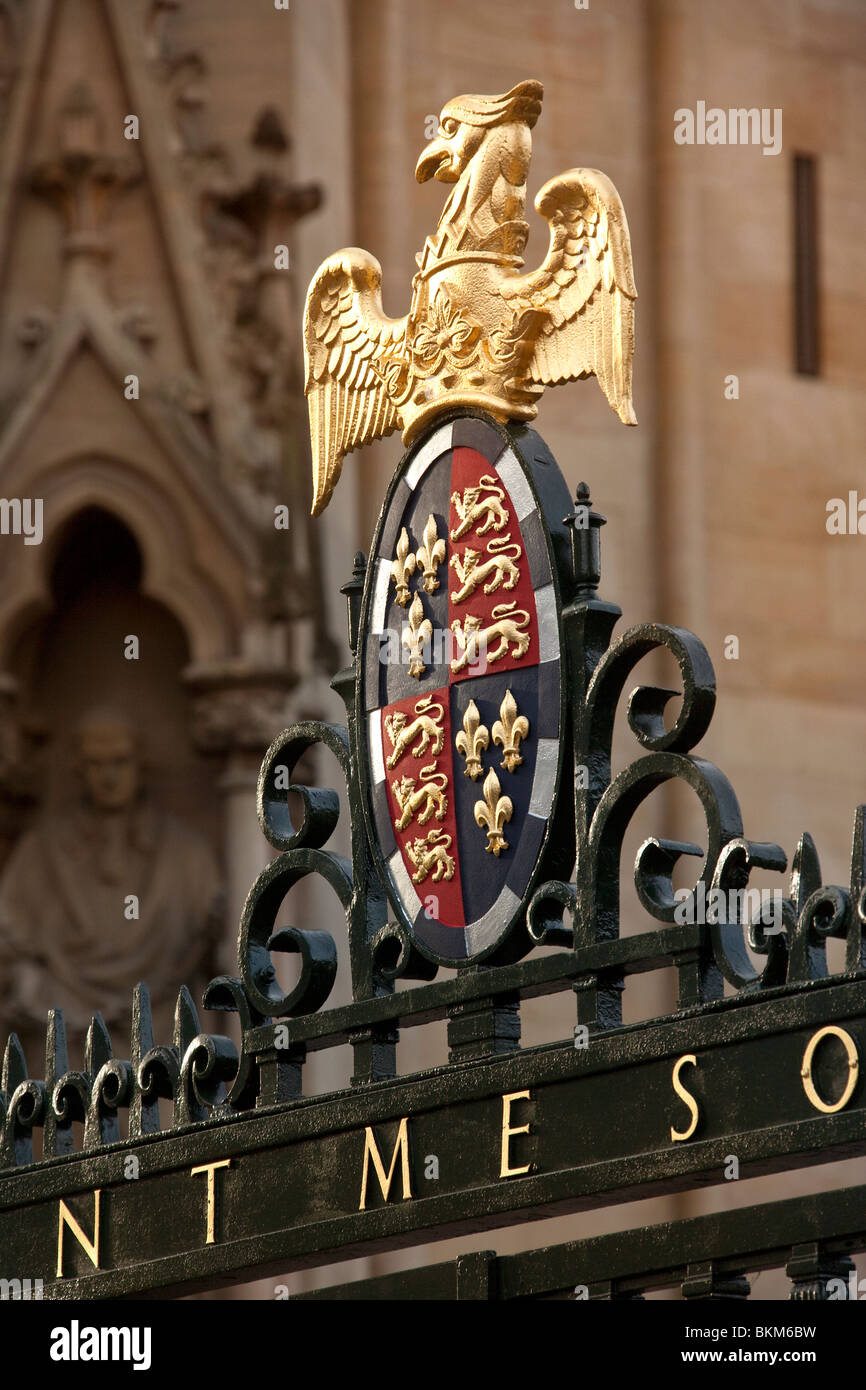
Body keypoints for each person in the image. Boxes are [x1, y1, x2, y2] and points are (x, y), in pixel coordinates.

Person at [0, 709, 223, 1048]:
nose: (109, 776)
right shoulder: (40, 853)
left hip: (161, 1036)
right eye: (96, 764)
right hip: (64, 1038)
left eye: (120, 762)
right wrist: (32, 987)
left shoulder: (187, 856)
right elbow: (9, 941)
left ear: (141, 765)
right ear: (78, 768)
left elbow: (218, 947)